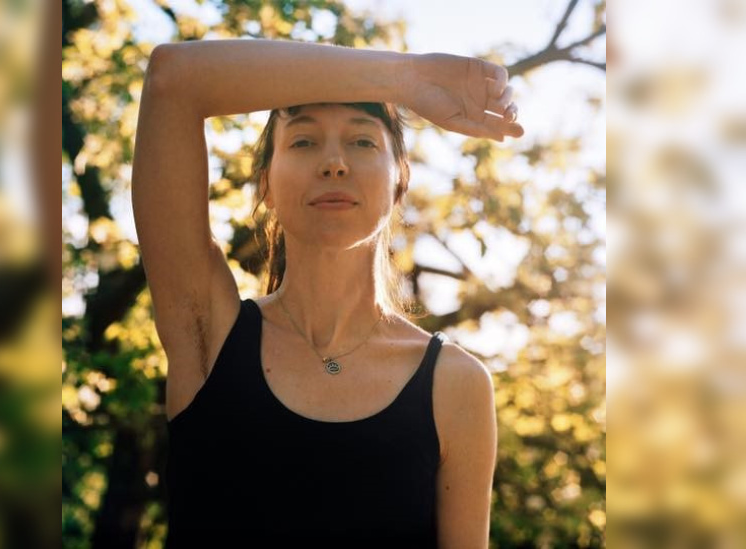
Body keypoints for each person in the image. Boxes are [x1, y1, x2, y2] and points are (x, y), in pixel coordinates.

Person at [131, 39, 523, 549]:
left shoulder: (456, 385)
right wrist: (405, 78)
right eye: (303, 141)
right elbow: (172, 77)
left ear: (399, 180)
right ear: (266, 185)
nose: (334, 163)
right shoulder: (209, 334)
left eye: (363, 142)